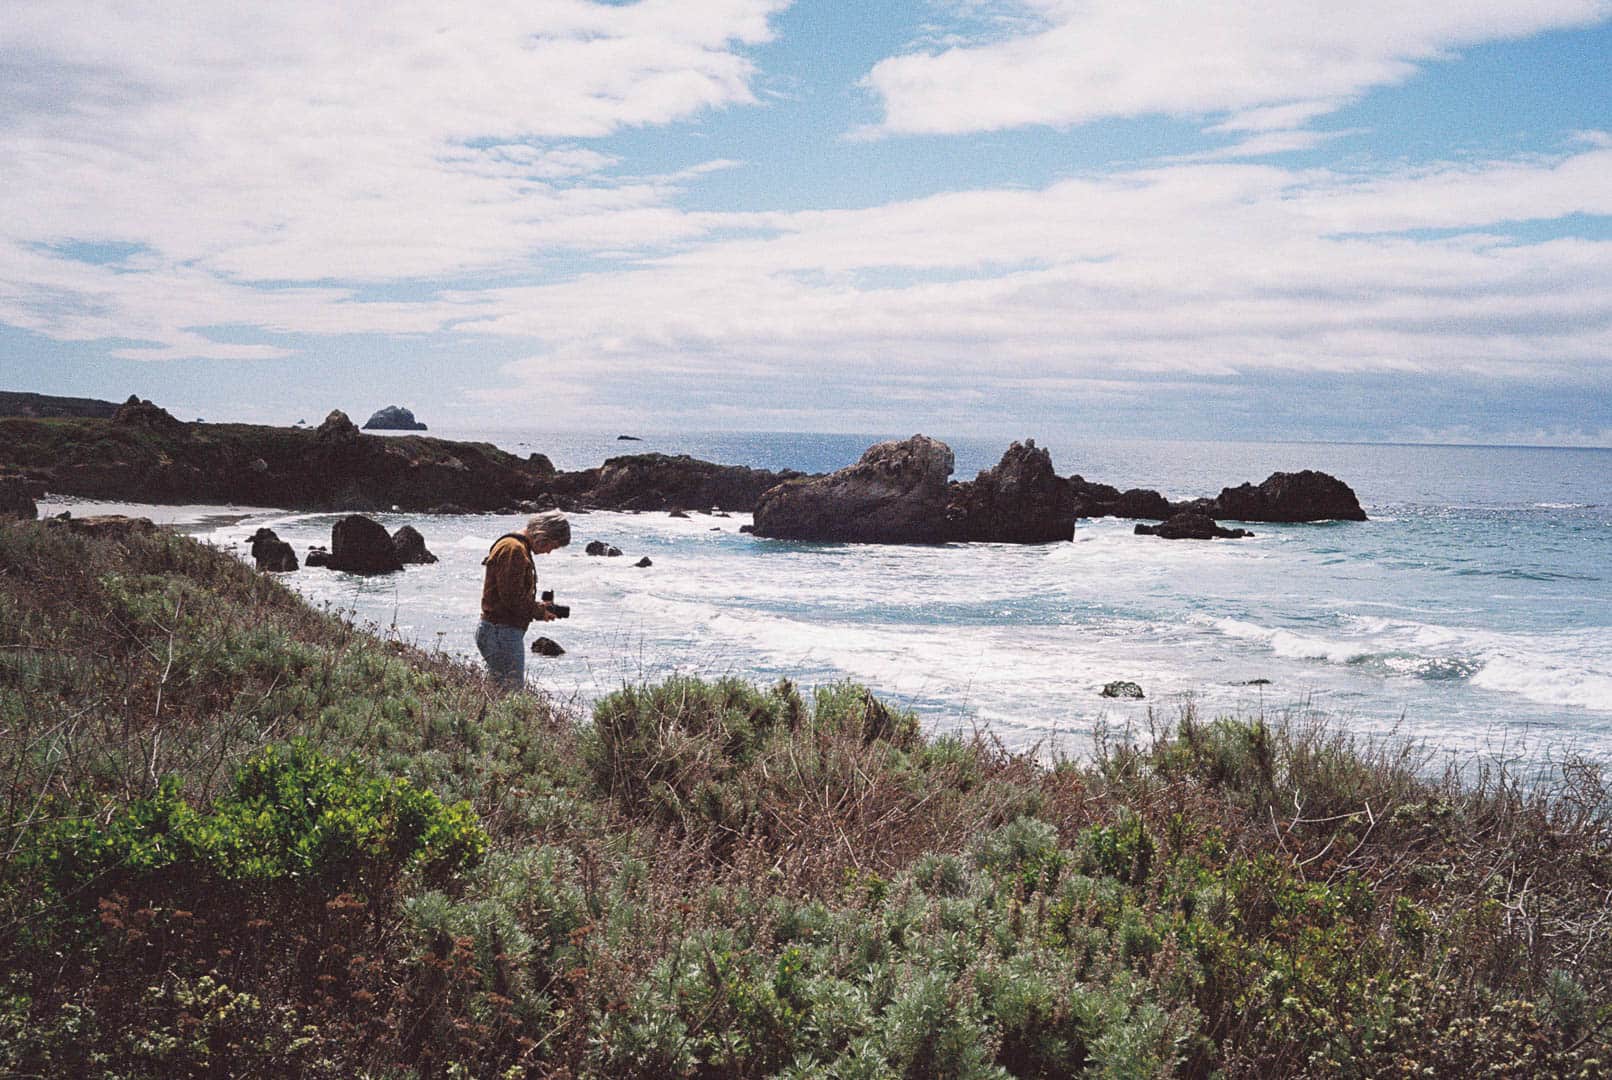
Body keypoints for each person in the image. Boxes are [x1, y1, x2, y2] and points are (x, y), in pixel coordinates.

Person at [476, 511, 570, 689]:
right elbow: (511, 599)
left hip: (497, 631)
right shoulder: (514, 549)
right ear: (543, 535)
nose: (549, 552)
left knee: (499, 693)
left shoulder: (515, 546)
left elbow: (511, 594)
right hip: (501, 632)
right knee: (511, 695)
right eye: (553, 546)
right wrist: (539, 611)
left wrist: (538, 608)